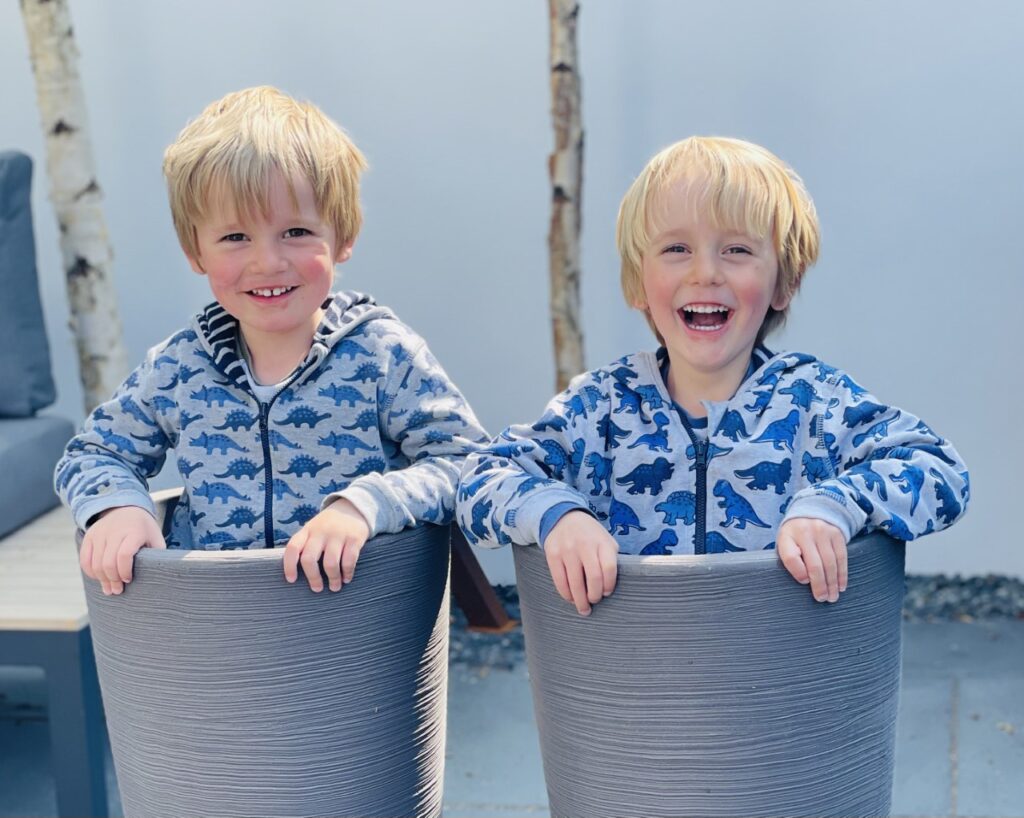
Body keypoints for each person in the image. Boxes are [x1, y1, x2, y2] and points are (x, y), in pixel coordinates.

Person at [456, 136, 969, 615]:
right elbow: (480, 481)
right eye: (676, 249)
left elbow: (940, 468)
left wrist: (833, 504)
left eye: (738, 250)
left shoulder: (816, 403)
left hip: (777, 685)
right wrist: (557, 515)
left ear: (782, 284)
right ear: (639, 283)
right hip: (637, 683)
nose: (705, 272)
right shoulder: (599, 409)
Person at [56, 86, 487, 596]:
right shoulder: (178, 368)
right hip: (222, 630)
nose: (268, 262)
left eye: (296, 232)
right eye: (235, 238)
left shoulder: (382, 355)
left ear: (343, 237)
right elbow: (93, 453)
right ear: (196, 252)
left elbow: (467, 463)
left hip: (360, 629)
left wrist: (367, 504)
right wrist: (118, 506)